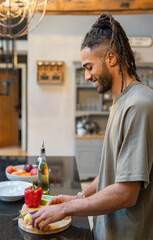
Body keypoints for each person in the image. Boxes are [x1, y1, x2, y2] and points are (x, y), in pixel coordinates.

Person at [29, 12, 153, 240]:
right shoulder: (120, 101)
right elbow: (112, 172)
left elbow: (126, 193)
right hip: (106, 229)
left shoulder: (139, 105)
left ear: (111, 58)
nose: (86, 76)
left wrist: (65, 209)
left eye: (89, 67)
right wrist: (79, 197)